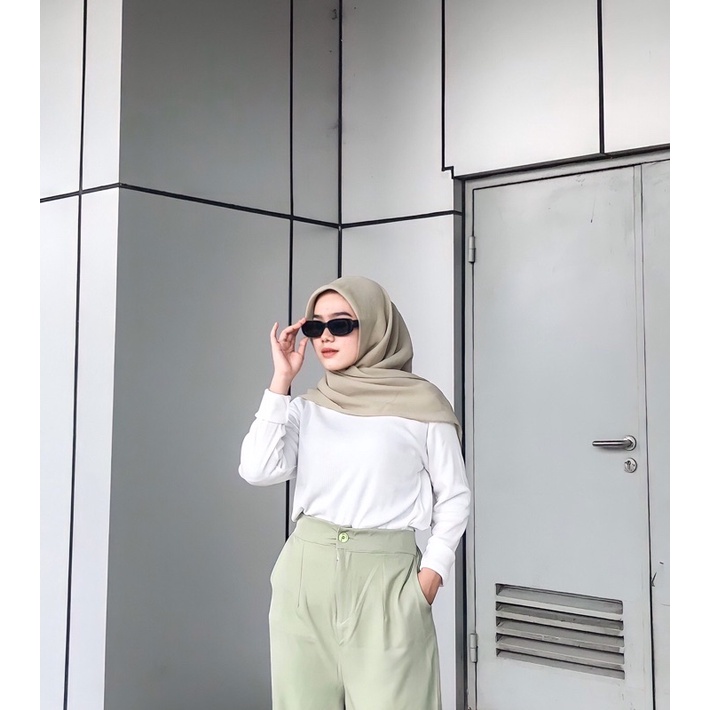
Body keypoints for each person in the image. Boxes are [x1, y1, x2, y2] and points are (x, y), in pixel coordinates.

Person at [239, 276, 470, 710]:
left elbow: (454, 496)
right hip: (305, 574)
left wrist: (431, 575)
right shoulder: (307, 407)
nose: (325, 336)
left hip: (387, 581)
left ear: (376, 326)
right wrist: (281, 381)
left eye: (341, 324)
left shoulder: (422, 405)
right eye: (315, 326)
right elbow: (257, 469)